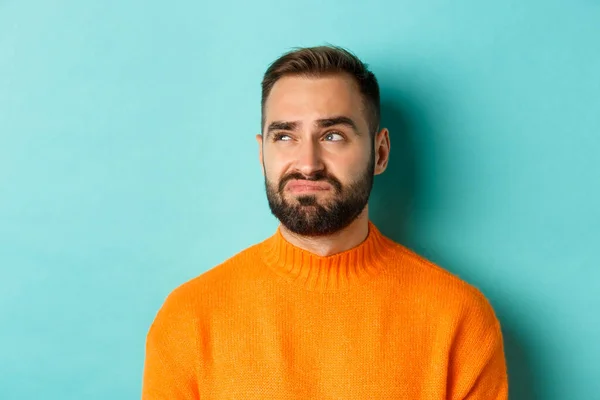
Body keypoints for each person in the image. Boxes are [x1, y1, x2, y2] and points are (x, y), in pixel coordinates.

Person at [141, 45, 508, 399]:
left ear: (380, 153)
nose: (308, 163)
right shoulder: (189, 318)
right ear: (261, 153)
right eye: (285, 136)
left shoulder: (459, 319)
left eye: (333, 136)